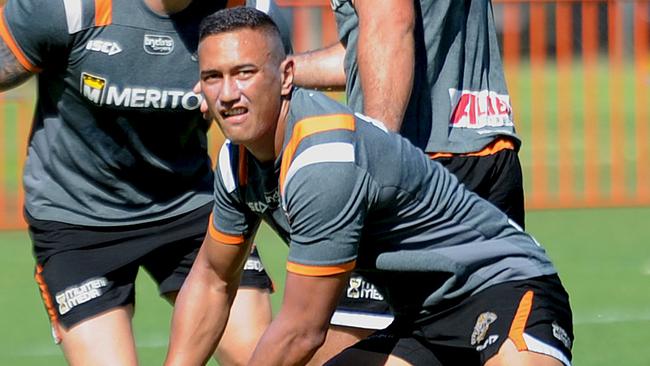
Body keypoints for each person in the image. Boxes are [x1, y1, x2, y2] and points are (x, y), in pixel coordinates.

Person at [165, 7, 574, 366]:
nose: (229, 94)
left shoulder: (324, 159)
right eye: (213, 78)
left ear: (287, 76)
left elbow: (302, 331)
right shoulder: (237, 163)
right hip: (422, 323)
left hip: (502, 289)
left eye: (245, 73)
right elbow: (213, 279)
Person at [0, 0, 289, 365]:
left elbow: (288, 95)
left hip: (192, 207)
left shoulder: (249, 12)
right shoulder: (68, 8)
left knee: (259, 357)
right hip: (77, 221)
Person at [291, 0, 527, 347]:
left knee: (333, 344)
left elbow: (390, 26)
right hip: (487, 147)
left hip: (422, 165)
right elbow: (372, 47)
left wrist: (378, 154)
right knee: (468, 343)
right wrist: (272, 73)